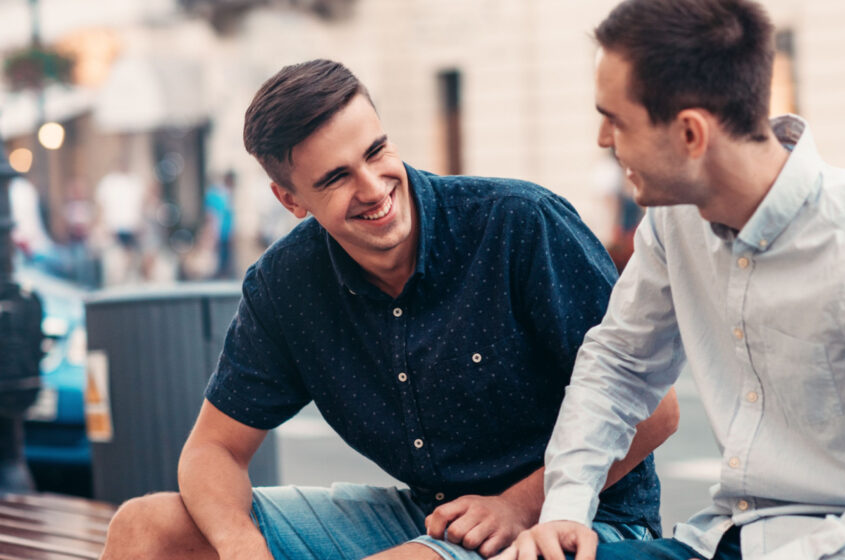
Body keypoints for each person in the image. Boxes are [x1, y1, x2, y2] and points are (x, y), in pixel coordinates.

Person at [99, 59, 679, 560]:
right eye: (336, 178)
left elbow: (655, 409)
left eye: (376, 151)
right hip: (431, 517)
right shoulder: (285, 285)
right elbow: (212, 450)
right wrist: (241, 546)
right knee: (145, 530)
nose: (374, 187)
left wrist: (518, 505)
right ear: (290, 199)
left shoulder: (519, 224)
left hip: (581, 520)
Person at [497, 1, 845, 559]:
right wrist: (564, 511)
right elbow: (619, 366)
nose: (603, 140)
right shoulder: (674, 219)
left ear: (690, 134)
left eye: (616, 119)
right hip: (718, 539)